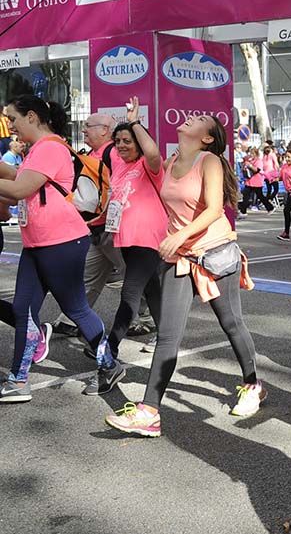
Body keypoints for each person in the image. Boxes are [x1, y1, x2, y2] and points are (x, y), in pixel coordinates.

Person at [104, 114, 263, 437]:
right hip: (180, 257)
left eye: (200, 119)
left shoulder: (210, 161)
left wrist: (179, 235)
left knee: (230, 323)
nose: (192, 118)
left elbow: (215, 209)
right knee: (168, 335)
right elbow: (149, 153)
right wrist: (135, 123)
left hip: (214, 252)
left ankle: (252, 384)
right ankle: (149, 412)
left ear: (207, 138)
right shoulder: (173, 158)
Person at [0, 94, 115, 403]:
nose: (9, 125)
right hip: (38, 243)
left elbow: (20, 188)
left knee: (76, 308)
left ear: (32, 117)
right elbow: (17, 189)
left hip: (61, 242)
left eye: (13, 118)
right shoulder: (38, 148)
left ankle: (109, 364)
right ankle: (17, 380)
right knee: (24, 310)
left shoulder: (50, 148)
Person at [89, 98, 166, 395]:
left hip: (149, 239)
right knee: (152, 292)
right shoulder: (119, 164)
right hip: (126, 240)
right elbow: (104, 147)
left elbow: (152, 150)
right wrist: (94, 222)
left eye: (127, 141)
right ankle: (167, 339)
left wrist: (135, 121)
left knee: (130, 293)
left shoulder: (150, 166)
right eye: (118, 141)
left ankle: (111, 352)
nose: (121, 145)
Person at [49, 111, 122, 338]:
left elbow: (120, 188)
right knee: (88, 275)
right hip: (96, 228)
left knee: (138, 277)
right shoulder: (92, 153)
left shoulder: (114, 153)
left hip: (113, 228)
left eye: (88, 126)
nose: (83, 130)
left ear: (104, 130)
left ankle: (148, 317)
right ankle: (70, 320)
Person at [237, 146, 273, 214]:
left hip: (257, 182)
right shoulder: (249, 161)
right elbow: (244, 170)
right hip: (249, 182)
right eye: (250, 153)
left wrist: (250, 166)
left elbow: (257, 170)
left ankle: (270, 207)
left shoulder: (259, 161)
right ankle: (243, 211)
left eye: (252, 153)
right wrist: (244, 167)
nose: (251, 155)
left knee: (260, 196)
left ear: (256, 154)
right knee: (246, 195)